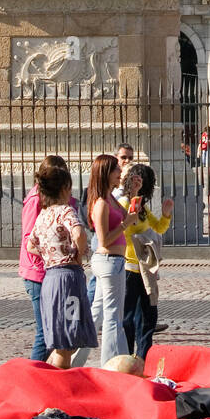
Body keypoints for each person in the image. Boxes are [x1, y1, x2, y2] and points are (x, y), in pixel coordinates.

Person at [26, 157, 96, 370]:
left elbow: (30, 246)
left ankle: (54, 376)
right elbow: (78, 232)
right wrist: (77, 254)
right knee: (67, 341)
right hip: (68, 280)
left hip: (50, 279)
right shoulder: (65, 211)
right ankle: (59, 383)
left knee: (60, 340)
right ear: (65, 188)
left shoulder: (43, 215)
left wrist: (50, 254)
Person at [19, 153, 76, 362]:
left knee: (54, 331)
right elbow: (29, 239)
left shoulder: (58, 201)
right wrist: (54, 254)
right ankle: (33, 378)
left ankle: (47, 376)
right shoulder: (35, 200)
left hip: (50, 272)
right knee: (45, 333)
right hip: (38, 273)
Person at [119, 162, 174, 359]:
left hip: (145, 269)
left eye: (141, 182)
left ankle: (143, 358)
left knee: (148, 315)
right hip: (129, 267)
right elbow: (121, 230)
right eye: (135, 182)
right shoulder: (125, 204)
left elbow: (158, 227)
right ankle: (127, 357)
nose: (139, 186)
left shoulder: (141, 207)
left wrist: (166, 214)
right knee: (128, 318)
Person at [88, 153, 138, 366]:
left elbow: (126, 218)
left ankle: (75, 357)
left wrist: (134, 194)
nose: (120, 173)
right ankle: (111, 364)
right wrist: (126, 225)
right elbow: (104, 240)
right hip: (109, 261)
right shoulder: (101, 203)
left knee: (97, 313)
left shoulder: (112, 199)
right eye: (116, 169)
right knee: (113, 318)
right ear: (106, 173)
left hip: (114, 261)